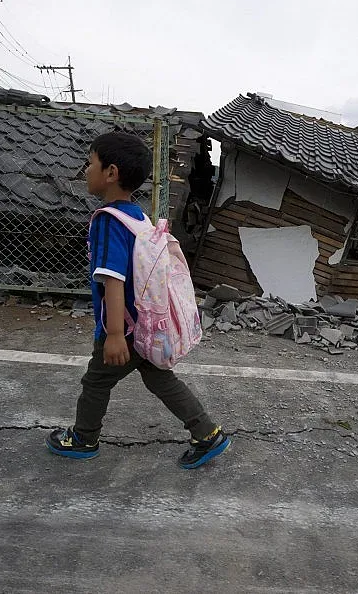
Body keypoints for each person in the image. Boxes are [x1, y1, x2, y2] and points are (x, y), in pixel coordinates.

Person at [46, 131, 229, 469]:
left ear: (111, 172)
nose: (85, 170)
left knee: (96, 381)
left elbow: (113, 279)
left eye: (90, 163)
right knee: (160, 378)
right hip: (146, 323)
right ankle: (206, 433)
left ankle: (84, 438)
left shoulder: (107, 221)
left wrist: (114, 334)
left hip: (125, 327)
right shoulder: (138, 217)